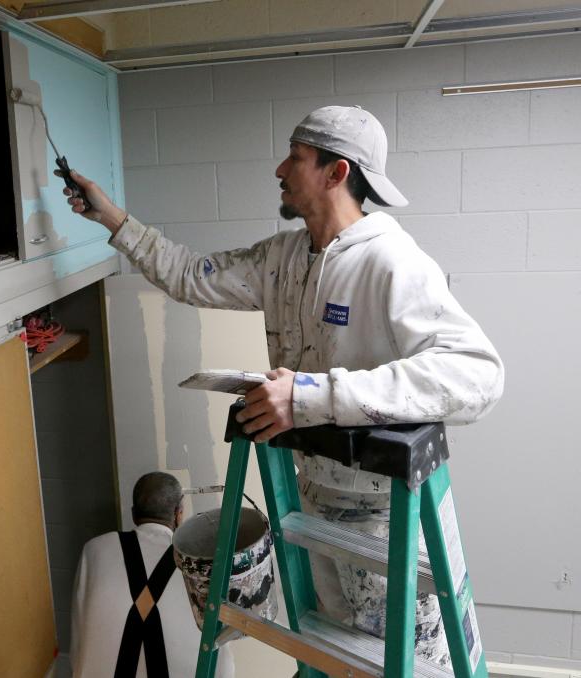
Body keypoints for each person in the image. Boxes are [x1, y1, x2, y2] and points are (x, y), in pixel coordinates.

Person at [59, 106, 504, 665]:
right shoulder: (284, 257)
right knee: (331, 656)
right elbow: (190, 275)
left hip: (383, 517)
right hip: (311, 501)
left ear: (335, 172)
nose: (279, 169)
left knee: (400, 662)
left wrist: (313, 397)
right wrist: (114, 220)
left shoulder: (392, 263)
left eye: (295, 157)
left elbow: (478, 374)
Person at [71, 472, 235, 677]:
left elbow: (78, 634)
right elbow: (222, 661)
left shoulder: (94, 550)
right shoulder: (200, 565)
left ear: (133, 513)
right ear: (179, 514)